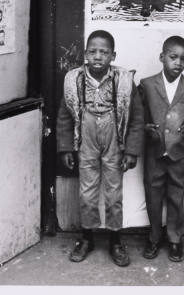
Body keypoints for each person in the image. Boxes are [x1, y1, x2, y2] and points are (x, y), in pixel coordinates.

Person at [56, 30, 144, 266]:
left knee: (114, 193)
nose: (98, 56)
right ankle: (87, 237)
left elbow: (136, 118)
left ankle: (116, 240)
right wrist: (65, 148)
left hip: (114, 138)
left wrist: (132, 151)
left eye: (104, 52)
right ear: (85, 53)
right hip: (86, 138)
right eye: (93, 51)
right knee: (87, 192)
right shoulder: (73, 80)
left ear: (113, 55)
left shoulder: (124, 80)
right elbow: (65, 116)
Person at [139, 36, 184, 262]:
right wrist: (144, 127)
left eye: (183, 59)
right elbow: (137, 115)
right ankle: (154, 237)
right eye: (173, 57)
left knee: (176, 197)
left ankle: (174, 240)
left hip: (178, 154)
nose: (178, 63)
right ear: (162, 57)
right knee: (153, 196)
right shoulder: (146, 85)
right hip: (154, 152)